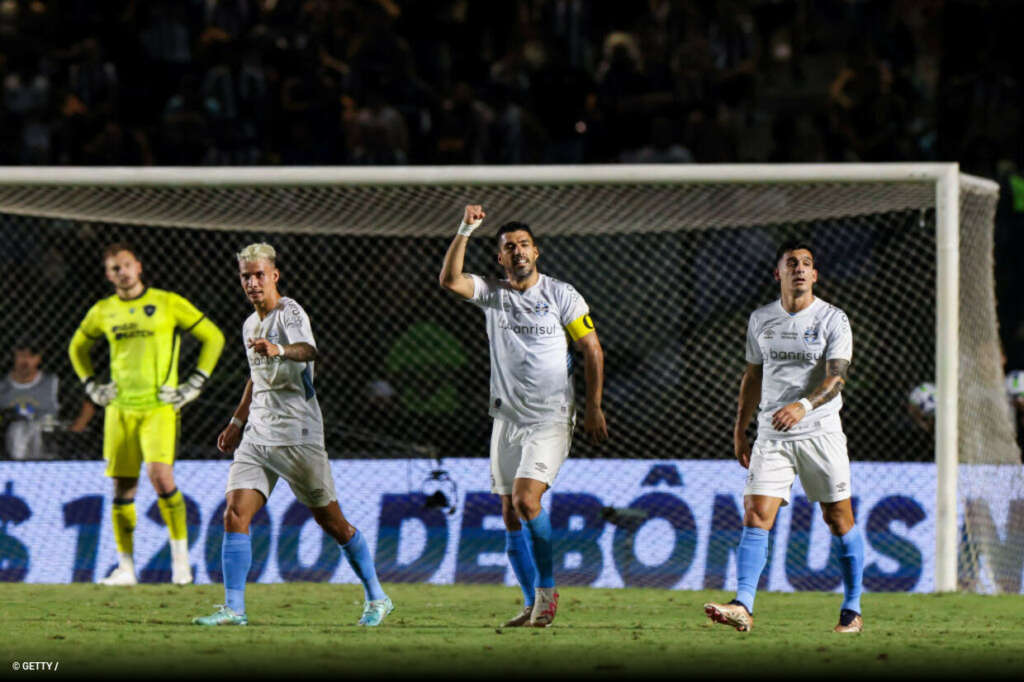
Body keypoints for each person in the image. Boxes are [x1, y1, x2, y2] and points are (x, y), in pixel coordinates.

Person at [194, 243, 392, 627]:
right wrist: (236, 422)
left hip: (298, 433)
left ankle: (378, 597)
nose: (252, 282)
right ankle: (234, 609)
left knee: (332, 522)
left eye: (258, 275)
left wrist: (280, 349)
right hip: (257, 436)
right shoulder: (249, 325)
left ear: (274, 276)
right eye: (245, 276)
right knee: (234, 513)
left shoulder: (290, 312)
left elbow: (309, 350)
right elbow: (256, 379)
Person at [439, 205, 608, 628]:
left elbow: (592, 349)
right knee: (510, 515)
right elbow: (449, 280)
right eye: (509, 247)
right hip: (506, 420)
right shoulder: (494, 293)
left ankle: (547, 596)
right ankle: (532, 602)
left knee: (526, 500)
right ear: (499, 257)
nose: (517, 252)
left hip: (550, 418)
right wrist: (465, 229)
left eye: (524, 245)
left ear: (538, 252)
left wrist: (593, 406)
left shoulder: (561, 295)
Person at [703, 240, 863, 633]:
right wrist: (740, 429)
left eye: (807, 263)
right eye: (791, 263)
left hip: (820, 432)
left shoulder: (833, 319)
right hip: (772, 435)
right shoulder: (761, 319)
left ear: (816, 274)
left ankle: (853, 608)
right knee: (756, 514)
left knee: (838, 518)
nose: (800, 268)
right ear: (778, 274)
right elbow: (753, 376)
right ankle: (743, 604)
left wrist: (803, 407)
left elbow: (837, 376)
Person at [68, 243, 225, 586]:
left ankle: (181, 564)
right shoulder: (103, 311)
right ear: (108, 275)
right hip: (119, 409)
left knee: (160, 476)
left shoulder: (168, 303)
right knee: (123, 486)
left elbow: (213, 336)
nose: (121, 272)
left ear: (138, 266)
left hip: (158, 407)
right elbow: (76, 347)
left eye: (125, 265)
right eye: (113, 268)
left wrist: (195, 383)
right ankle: (126, 568)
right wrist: (91, 385)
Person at [0, 337, 94, 460]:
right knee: (18, 429)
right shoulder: (3, 386)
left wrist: (75, 430)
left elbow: (88, 404)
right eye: (22, 355)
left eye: (32, 356)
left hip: (48, 446)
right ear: (14, 356)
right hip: (11, 447)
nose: (26, 361)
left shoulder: (53, 383)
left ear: (39, 358)